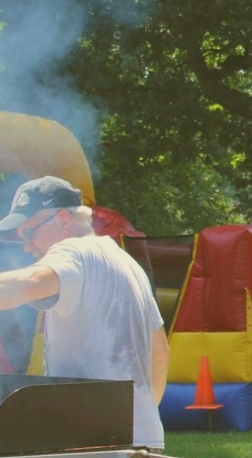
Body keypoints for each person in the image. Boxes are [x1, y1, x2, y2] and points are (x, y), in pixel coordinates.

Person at [0, 176, 169, 451]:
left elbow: (27, 283)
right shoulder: (127, 263)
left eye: (29, 234)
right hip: (142, 441)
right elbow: (161, 355)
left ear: (63, 219)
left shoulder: (71, 252)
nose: (27, 247)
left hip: (93, 442)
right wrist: (137, 419)